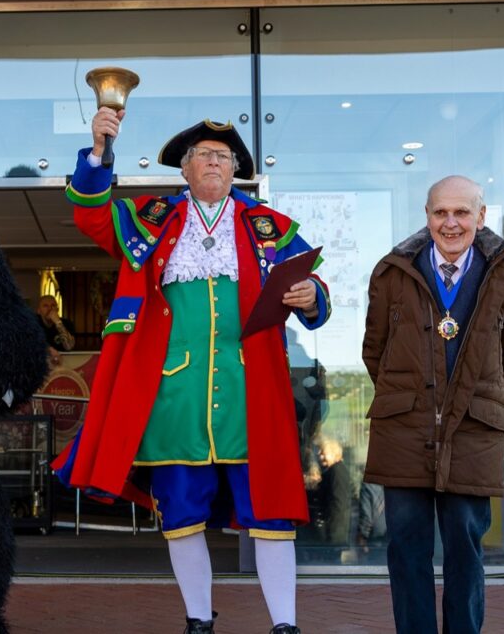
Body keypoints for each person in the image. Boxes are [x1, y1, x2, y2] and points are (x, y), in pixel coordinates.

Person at [54, 109, 331, 634]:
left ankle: (286, 625)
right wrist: (99, 153)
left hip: (253, 394)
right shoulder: (154, 217)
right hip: (171, 397)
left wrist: (312, 296)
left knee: (271, 512)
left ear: (235, 172)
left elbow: (313, 284)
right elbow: (90, 215)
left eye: (223, 157)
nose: (214, 163)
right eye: (203, 155)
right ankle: (199, 620)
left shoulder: (264, 225)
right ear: (184, 169)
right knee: (180, 512)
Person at [362, 175, 504, 634]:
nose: (451, 223)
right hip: (403, 431)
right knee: (406, 549)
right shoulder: (392, 272)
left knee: (465, 548)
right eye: (441, 212)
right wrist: (415, 400)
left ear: (480, 216)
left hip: (473, 432)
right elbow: (374, 352)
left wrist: (472, 399)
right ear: (428, 216)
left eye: (462, 212)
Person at [313, 438, 353, 546]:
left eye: (323, 452)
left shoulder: (336, 471)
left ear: (334, 453)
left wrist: (331, 532)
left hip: (334, 532)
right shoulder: (334, 470)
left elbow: (338, 504)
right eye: (319, 452)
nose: (320, 456)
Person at [37, 294, 77, 364]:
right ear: (39, 311)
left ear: (57, 309)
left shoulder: (67, 323)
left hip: (63, 363)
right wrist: (48, 349)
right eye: (45, 306)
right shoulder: (33, 323)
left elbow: (69, 346)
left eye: (53, 305)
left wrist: (58, 323)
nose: (50, 309)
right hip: (39, 362)